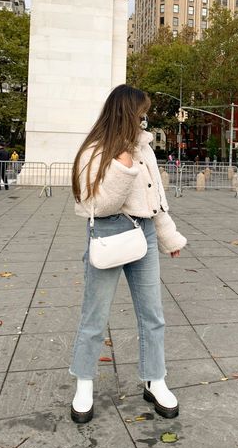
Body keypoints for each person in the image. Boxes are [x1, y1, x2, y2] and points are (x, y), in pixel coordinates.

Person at [69, 84, 187, 425]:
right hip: (107, 233)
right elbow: (94, 206)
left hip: (145, 233)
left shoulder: (144, 149)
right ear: (126, 114)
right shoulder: (94, 151)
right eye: (141, 114)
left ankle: (155, 379)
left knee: (153, 314)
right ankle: (84, 382)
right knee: (94, 315)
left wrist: (169, 237)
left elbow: (156, 199)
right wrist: (122, 166)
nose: (144, 121)